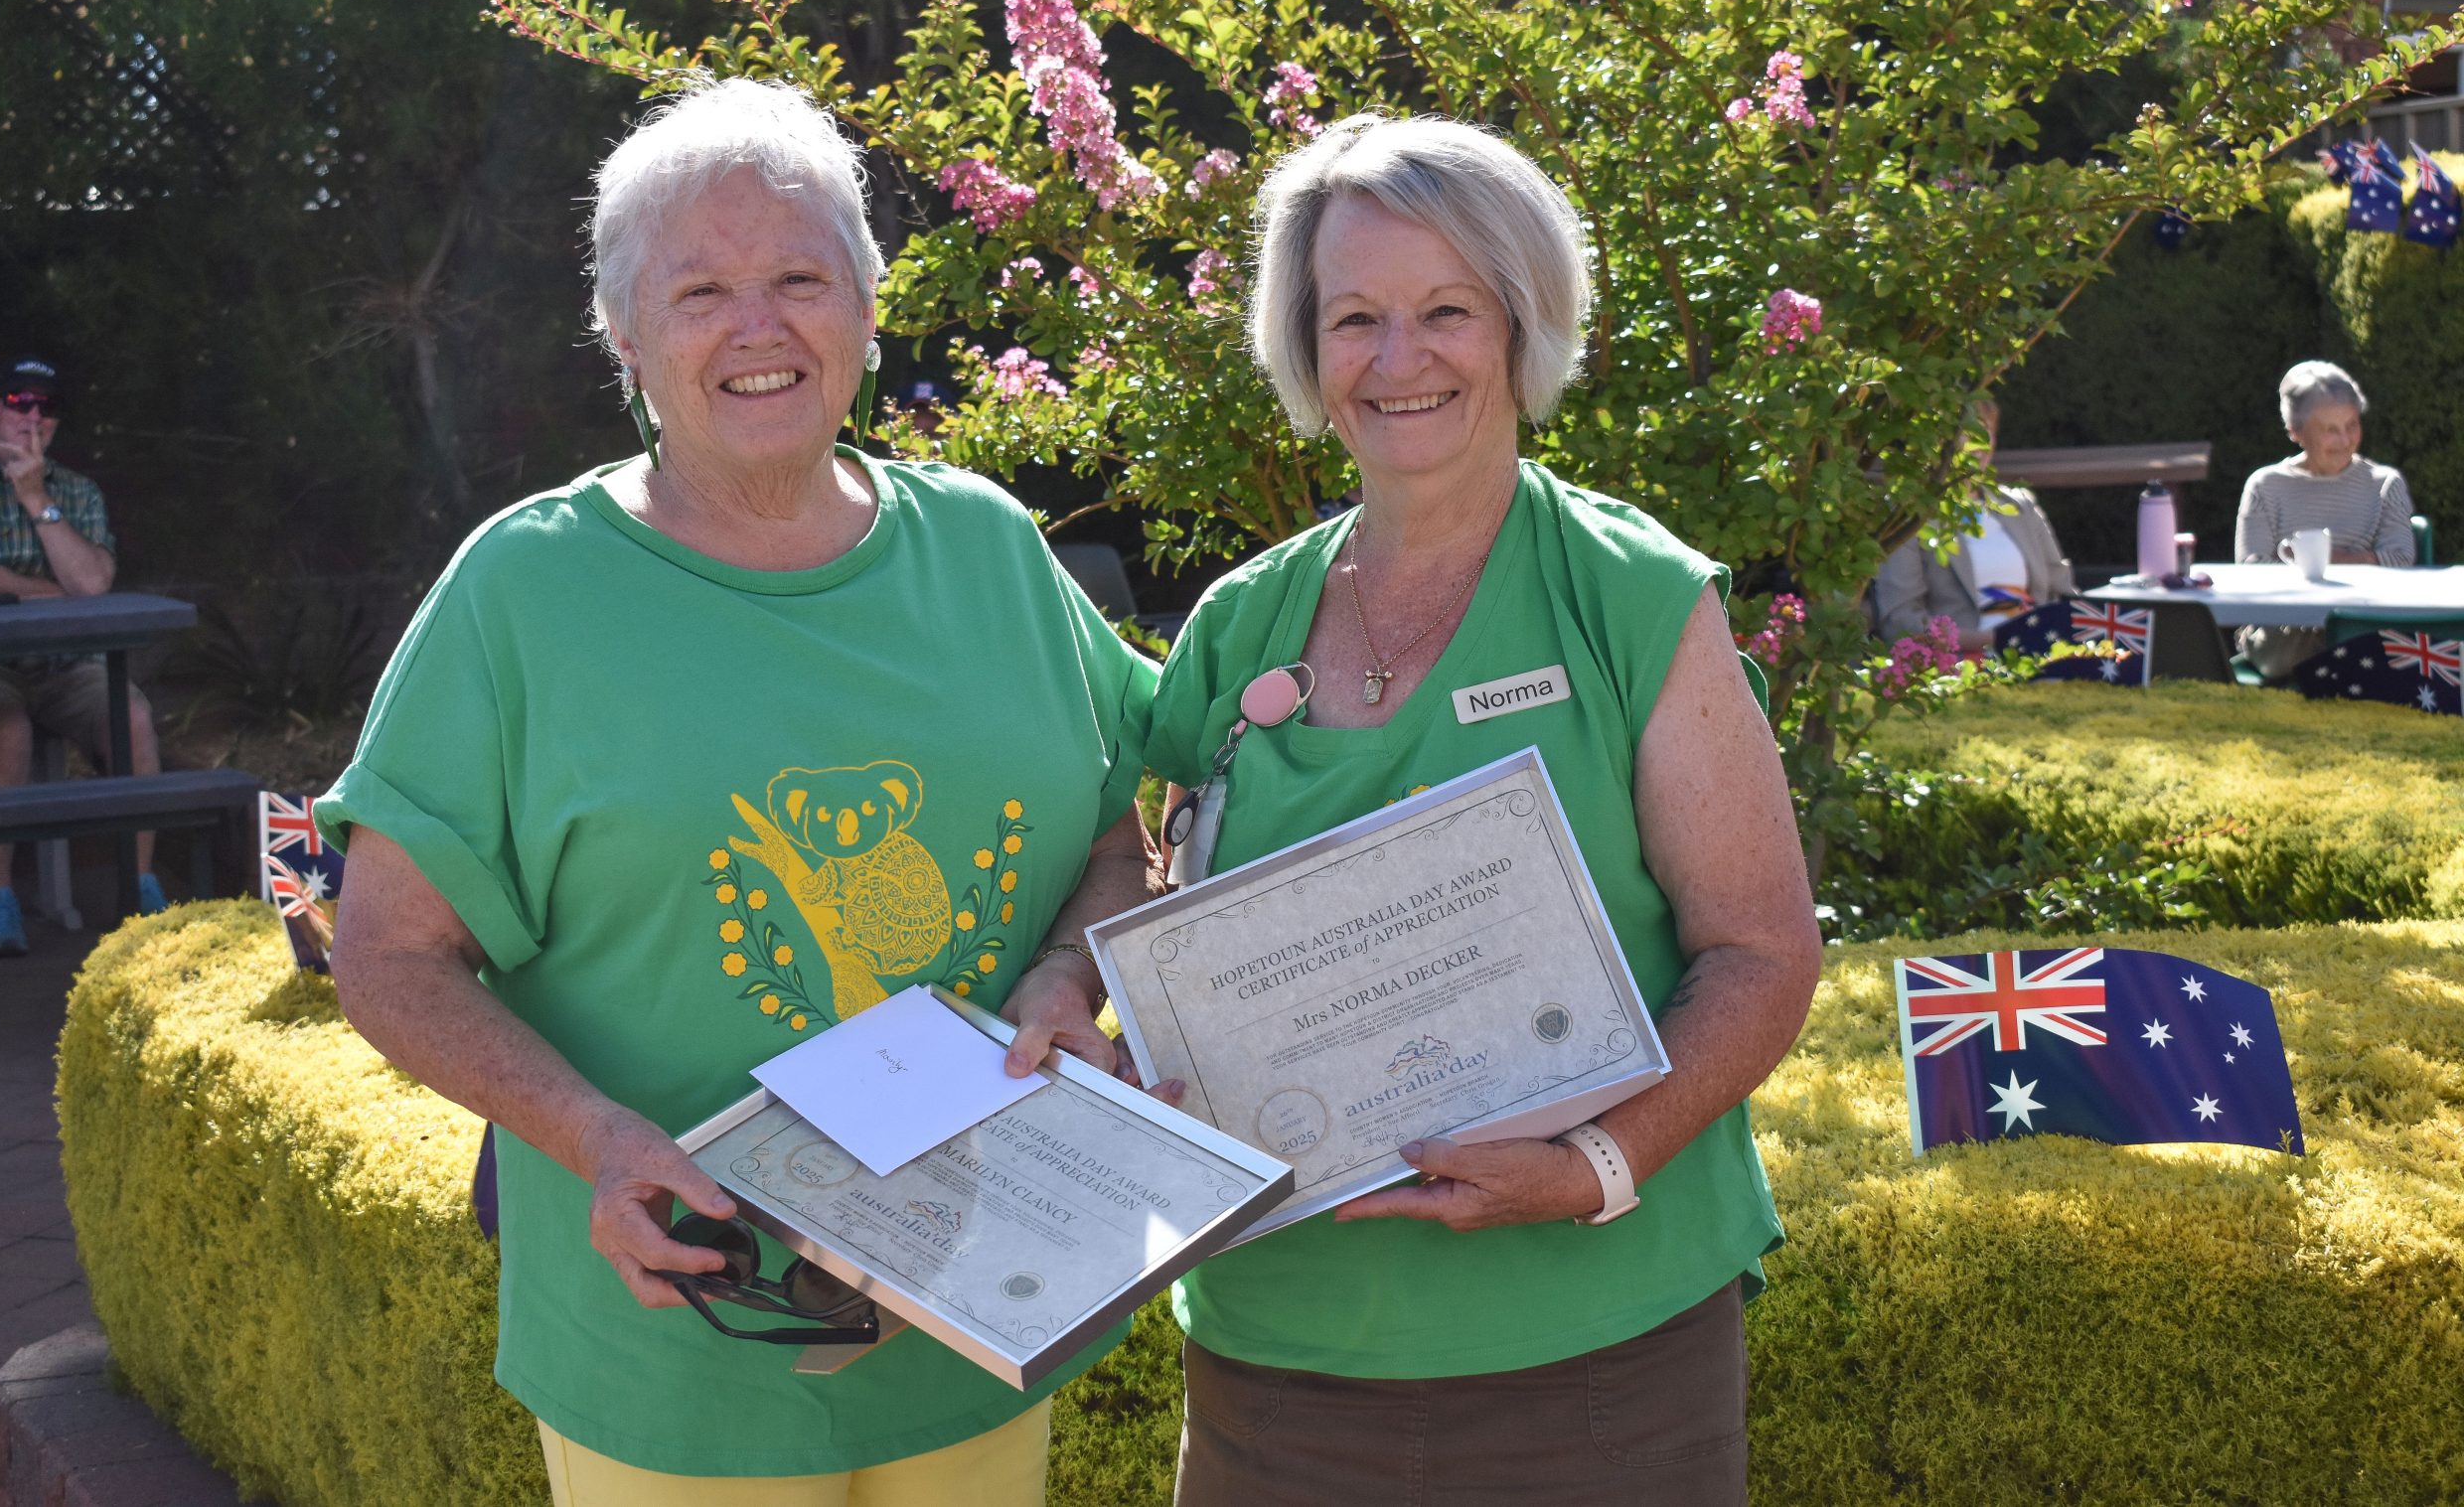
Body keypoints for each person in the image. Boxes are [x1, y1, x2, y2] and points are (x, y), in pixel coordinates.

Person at [319, 76, 1159, 1504]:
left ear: (867, 310)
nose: (759, 325)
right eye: (701, 289)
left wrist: (1072, 974)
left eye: (799, 278)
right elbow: (389, 956)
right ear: (626, 338)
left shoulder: (994, 552)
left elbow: (1111, 830)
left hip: (983, 1305)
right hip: (688, 1345)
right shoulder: (524, 592)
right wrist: (596, 1137)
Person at [1140, 114, 1820, 1505]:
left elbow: (1760, 950)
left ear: (1521, 325)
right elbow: (1139, 883)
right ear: (1305, 345)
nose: (1400, 360)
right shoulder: (1237, 622)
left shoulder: (1630, 597)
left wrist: (1595, 1162)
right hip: (1281, 1356)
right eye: (1355, 318)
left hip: (1598, 1357)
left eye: (1446, 310)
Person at [0, 356, 168, 957]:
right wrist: (40, 588)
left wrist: (36, 499)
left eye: (46, 406)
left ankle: (140, 889)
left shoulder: (76, 491)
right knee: (4, 728)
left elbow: (93, 583)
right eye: (19, 401)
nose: (33, 415)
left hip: (63, 665)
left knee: (131, 716)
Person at [2234, 361, 2415, 679]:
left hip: (2364, 620)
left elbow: (2400, 560)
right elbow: (2252, 570)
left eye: (2352, 425)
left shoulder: (2385, 484)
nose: (2345, 440)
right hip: (2286, 630)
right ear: (2296, 432)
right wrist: (2325, 570)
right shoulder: (2265, 486)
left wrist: (2322, 563)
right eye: (2331, 430)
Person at [1870, 394, 2076, 648]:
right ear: (1938, 440)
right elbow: (1900, 623)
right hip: (1962, 666)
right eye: (1968, 432)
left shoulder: (2020, 505)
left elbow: (2063, 591)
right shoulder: (1909, 515)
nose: (1979, 443)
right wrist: (1996, 641)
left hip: (2041, 655)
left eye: (1985, 430)